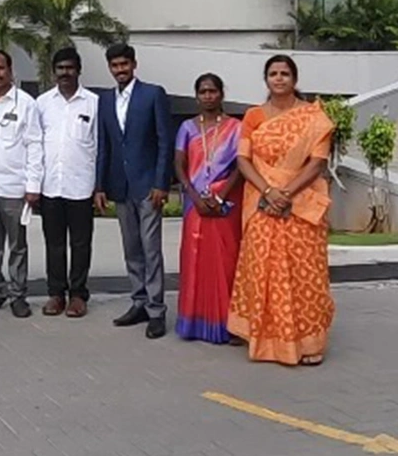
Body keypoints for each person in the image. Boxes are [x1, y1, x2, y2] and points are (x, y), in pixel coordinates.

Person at [229, 55, 336, 367]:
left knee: (306, 274)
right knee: (263, 271)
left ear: (294, 79)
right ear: (266, 80)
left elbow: (317, 162)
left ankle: (309, 344)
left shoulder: (312, 117)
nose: (279, 78)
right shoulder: (253, 116)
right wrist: (269, 191)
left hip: (301, 204)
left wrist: (286, 193)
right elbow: (243, 160)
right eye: (273, 73)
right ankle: (265, 338)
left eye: (284, 73)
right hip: (262, 203)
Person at [96, 43, 176, 340]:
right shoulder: (105, 100)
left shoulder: (152, 94)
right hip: (120, 186)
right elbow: (104, 145)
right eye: (115, 65)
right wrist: (100, 186)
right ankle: (139, 301)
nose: (120, 70)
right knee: (131, 248)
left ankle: (156, 310)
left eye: (124, 64)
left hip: (148, 186)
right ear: (110, 68)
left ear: (133, 64)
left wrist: (161, 183)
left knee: (151, 249)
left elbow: (165, 141)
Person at [174, 73, 244, 345]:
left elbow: (241, 165)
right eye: (202, 92)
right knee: (195, 261)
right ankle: (195, 323)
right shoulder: (187, 128)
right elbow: (179, 164)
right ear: (196, 96)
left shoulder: (236, 127)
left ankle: (230, 325)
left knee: (226, 262)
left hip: (225, 204)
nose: (208, 96)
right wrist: (194, 196)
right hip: (195, 205)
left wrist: (220, 196)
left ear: (221, 94)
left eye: (212, 91)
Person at [0, 50, 42, 317]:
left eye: (1, 68)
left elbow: (34, 145)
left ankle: (17, 295)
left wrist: (33, 185)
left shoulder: (26, 104)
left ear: (10, 70)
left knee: (17, 246)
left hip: (14, 188)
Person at [36, 47, 99, 318]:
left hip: (81, 185)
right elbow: (35, 145)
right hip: (50, 185)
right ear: (53, 72)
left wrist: (99, 186)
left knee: (81, 244)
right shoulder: (42, 104)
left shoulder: (94, 103)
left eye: (70, 68)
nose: (65, 73)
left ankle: (78, 295)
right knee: (54, 243)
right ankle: (56, 294)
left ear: (78, 70)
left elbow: (100, 146)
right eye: (60, 68)